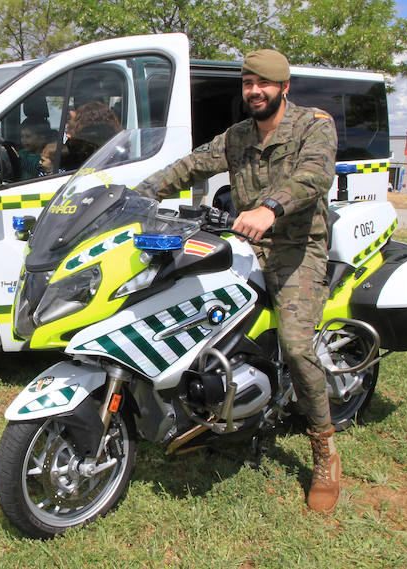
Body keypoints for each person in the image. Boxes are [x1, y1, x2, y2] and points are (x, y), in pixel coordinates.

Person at [136, 49, 341, 513]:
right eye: (248, 83)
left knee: (295, 342)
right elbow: (188, 167)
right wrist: (133, 195)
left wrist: (270, 207)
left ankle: (324, 448)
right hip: (245, 243)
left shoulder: (315, 124)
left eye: (263, 83)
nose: (254, 91)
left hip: (297, 249)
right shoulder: (237, 136)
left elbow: (313, 176)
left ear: (283, 87)